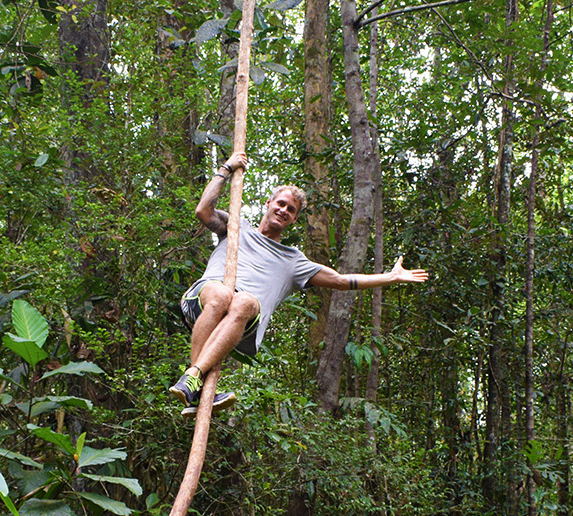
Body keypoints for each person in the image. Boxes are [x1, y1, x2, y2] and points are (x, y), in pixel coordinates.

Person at [171, 151, 429, 414]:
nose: (283, 210)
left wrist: (390, 277)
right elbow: (203, 210)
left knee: (245, 301)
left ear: (294, 219)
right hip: (203, 302)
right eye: (280, 204)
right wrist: (226, 169)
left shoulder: (294, 260)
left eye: (291, 210)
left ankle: (193, 379)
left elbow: (339, 280)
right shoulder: (238, 225)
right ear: (268, 202)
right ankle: (195, 381)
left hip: (240, 321)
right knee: (222, 295)